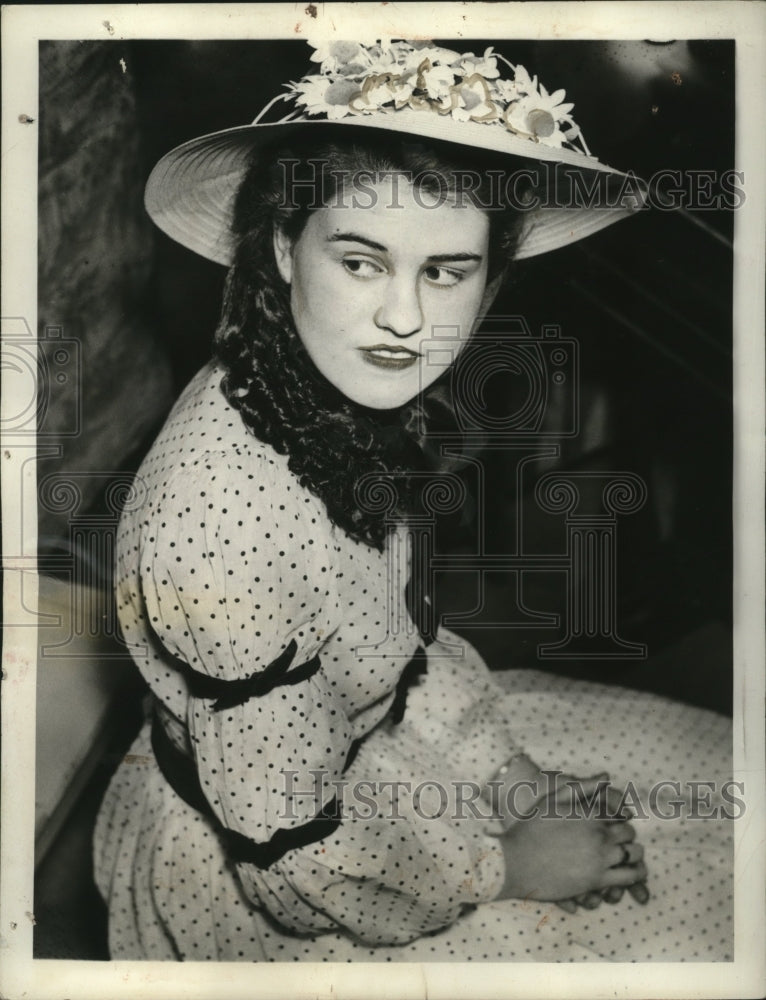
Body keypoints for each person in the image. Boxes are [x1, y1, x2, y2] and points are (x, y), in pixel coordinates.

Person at [94, 38, 733, 962]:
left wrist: (506, 774)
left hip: (384, 743)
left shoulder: (316, 387)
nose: (405, 318)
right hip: (301, 864)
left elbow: (391, 643)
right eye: (361, 262)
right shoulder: (220, 527)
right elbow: (287, 850)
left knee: (725, 786)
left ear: (493, 278)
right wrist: (507, 866)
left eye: (445, 271)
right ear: (283, 247)